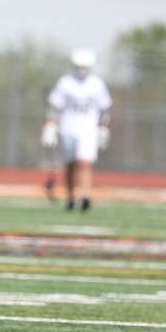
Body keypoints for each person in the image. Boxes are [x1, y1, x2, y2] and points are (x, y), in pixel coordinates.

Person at [40, 49, 112, 212]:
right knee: (71, 164)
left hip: (88, 130)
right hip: (68, 128)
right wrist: (50, 125)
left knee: (84, 163)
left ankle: (85, 195)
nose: (81, 70)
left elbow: (105, 108)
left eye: (84, 67)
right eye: (79, 66)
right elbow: (54, 106)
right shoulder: (66, 82)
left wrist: (103, 128)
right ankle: (71, 196)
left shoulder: (97, 84)